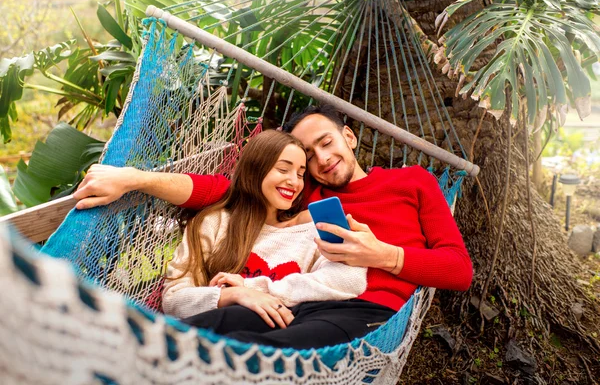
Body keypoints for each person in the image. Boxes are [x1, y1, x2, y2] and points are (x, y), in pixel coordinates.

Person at [74, 104, 473, 349]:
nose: (321, 158)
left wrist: (382, 255)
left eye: (327, 142)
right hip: (296, 302)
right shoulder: (306, 191)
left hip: (371, 312)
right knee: (206, 327)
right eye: (308, 156)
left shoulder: (412, 181)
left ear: (348, 137)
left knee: (259, 349)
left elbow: (458, 269)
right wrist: (135, 179)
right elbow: (227, 192)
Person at [161, 129, 367, 334]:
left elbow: (349, 280)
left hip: (276, 344)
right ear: (255, 169)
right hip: (211, 336)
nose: (294, 182)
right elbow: (173, 300)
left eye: (300, 174)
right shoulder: (214, 223)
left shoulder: (309, 231)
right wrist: (233, 296)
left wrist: (253, 287)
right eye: (284, 170)